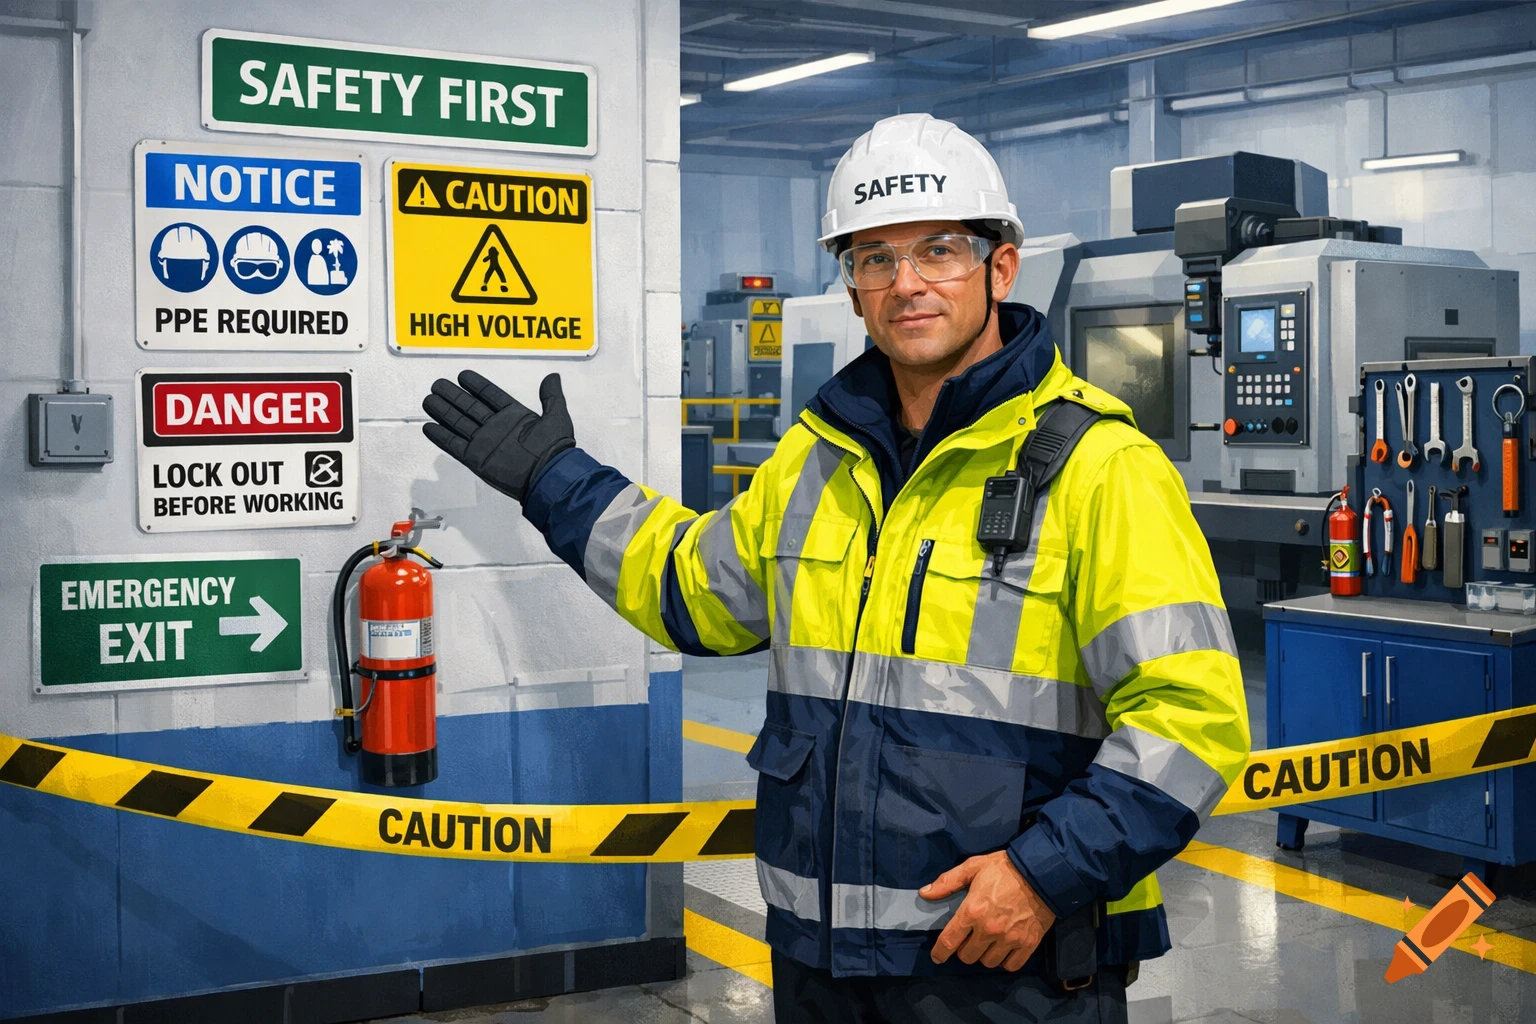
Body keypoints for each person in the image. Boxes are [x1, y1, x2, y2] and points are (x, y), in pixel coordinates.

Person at [420, 113, 1250, 1024]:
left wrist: (1041, 875)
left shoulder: (1101, 467)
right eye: (874, 259)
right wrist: (556, 481)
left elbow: (1192, 723)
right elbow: (692, 590)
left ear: (999, 268)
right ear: (852, 287)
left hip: (1008, 966)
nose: (907, 284)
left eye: (939, 250)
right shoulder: (817, 458)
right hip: (820, 961)